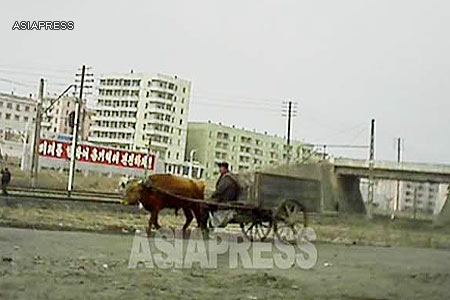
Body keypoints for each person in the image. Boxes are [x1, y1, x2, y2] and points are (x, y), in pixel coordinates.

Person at [210, 162, 240, 228]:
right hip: (225, 199)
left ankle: (211, 224)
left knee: (206, 205)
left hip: (225, 201)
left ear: (225, 169)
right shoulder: (226, 177)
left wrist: (212, 197)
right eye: (220, 168)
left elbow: (220, 190)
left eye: (221, 168)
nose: (220, 169)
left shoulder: (227, 179)